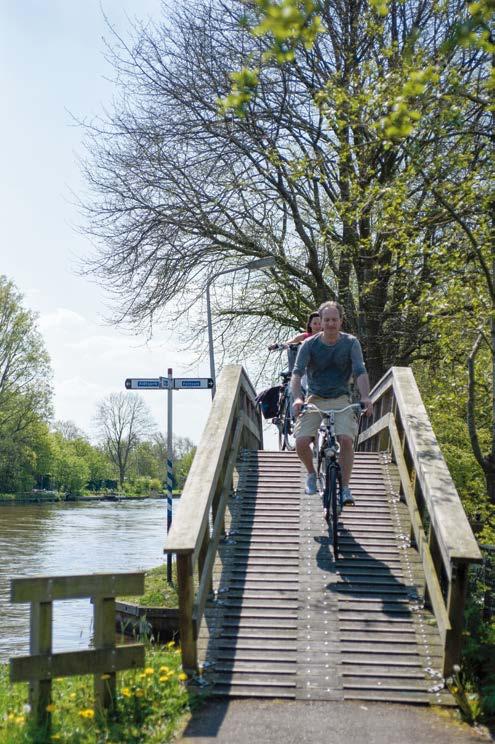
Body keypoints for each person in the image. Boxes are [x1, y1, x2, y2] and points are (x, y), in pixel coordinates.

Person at [291, 301, 373, 504]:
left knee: (346, 439)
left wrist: (366, 397)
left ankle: (345, 487)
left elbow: (360, 371)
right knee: (301, 442)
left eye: (334, 320)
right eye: (326, 320)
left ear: (340, 321)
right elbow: (297, 373)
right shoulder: (309, 344)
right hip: (315, 398)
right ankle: (311, 473)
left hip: (341, 398)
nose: (330, 324)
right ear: (320, 321)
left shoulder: (351, 343)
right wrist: (298, 398)